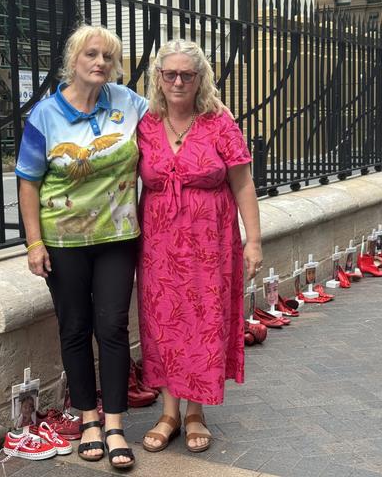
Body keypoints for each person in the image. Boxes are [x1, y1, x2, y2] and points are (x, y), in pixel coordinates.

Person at [16, 24, 149, 469]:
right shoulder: (45, 116)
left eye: (108, 58)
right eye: (91, 55)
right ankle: (87, 419)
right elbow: (28, 184)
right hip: (63, 240)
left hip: (117, 237)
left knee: (112, 327)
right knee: (75, 328)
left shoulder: (129, 104)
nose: (100, 64)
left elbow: (174, 119)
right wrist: (34, 243)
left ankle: (114, 424)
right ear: (73, 60)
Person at [136, 39, 262, 453]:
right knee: (163, 323)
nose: (177, 81)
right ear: (158, 77)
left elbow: (243, 183)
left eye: (186, 75)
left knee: (202, 322)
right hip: (158, 243)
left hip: (210, 240)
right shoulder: (145, 123)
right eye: (169, 73)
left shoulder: (219, 123)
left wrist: (254, 242)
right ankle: (169, 412)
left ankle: (195, 412)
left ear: (200, 78)